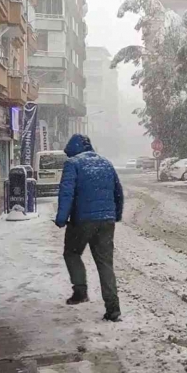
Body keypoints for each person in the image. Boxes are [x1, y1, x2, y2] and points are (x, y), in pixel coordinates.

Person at [55, 134, 124, 322]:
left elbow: (66, 193)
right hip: (106, 221)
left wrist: (61, 218)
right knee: (105, 263)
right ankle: (113, 308)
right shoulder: (106, 163)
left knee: (72, 252)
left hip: (82, 220)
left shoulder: (73, 164)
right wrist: (115, 214)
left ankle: (80, 291)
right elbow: (118, 192)